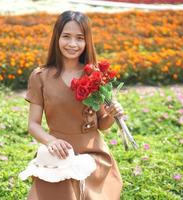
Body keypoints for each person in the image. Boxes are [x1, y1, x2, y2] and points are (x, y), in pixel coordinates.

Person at [24, 10, 124, 200]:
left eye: (79, 38)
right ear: (57, 38)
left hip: (93, 155)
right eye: (66, 36)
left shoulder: (96, 75)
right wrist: (51, 142)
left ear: (87, 41)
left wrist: (112, 113)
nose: (72, 44)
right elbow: (33, 124)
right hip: (59, 153)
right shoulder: (40, 76)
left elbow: (103, 124)